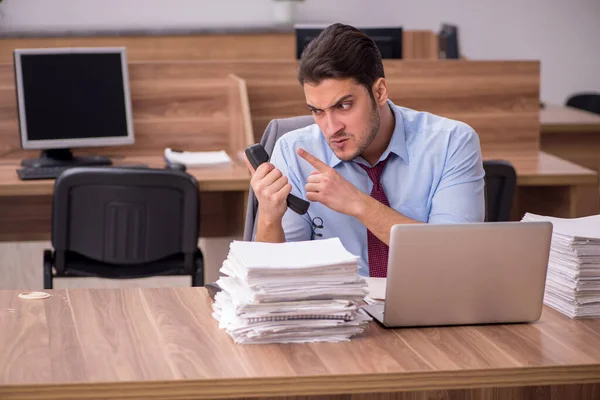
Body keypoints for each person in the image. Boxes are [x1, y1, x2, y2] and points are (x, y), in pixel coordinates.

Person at [245, 23, 485, 277]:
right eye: (317, 111)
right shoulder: (294, 151)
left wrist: (358, 203)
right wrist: (270, 218)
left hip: (427, 305)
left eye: (344, 106)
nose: (331, 127)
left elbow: (457, 256)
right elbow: (275, 280)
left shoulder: (452, 142)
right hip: (333, 310)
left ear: (379, 92)